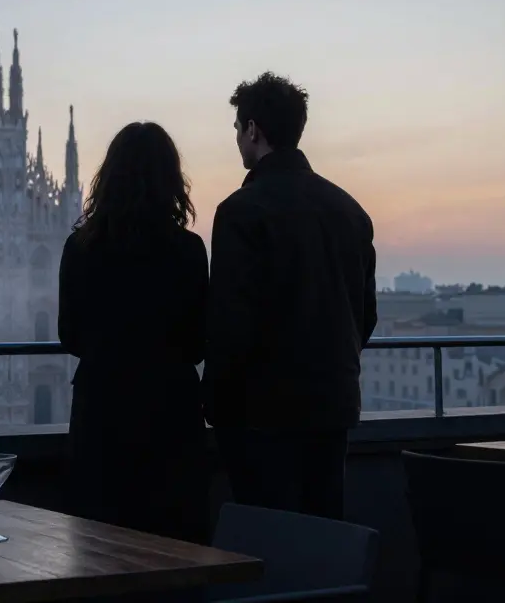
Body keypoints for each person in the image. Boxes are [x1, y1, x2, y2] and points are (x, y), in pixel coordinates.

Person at [204, 72, 377, 521]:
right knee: (324, 535)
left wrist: (216, 409)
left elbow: (230, 325)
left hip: (260, 417)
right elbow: (366, 317)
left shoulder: (240, 212)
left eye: (238, 130)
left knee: (270, 541)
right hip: (333, 409)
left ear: (252, 130)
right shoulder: (349, 210)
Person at [59, 121, 211, 544]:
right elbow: (200, 343)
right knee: (174, 544)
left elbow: (69, 336)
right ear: (171, 181)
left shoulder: (81, 247)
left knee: (100, 545)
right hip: (171, 415)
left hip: (102, 412)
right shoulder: (189, 250)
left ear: (107, 179)